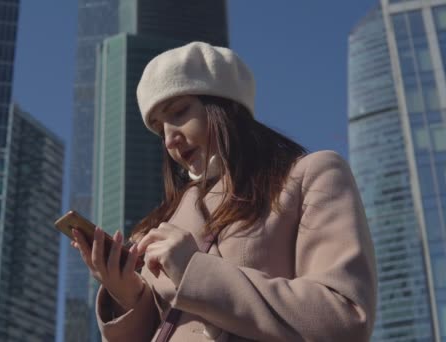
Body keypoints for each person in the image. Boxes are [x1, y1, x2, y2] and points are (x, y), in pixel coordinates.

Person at [70, 41, 377, 341]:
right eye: (159, 128)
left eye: (177, 112)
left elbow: (344, 316)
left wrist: (194, 270)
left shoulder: (310, 175)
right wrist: (127, 296)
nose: (169, 140)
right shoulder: (161, 224)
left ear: (225, 106)